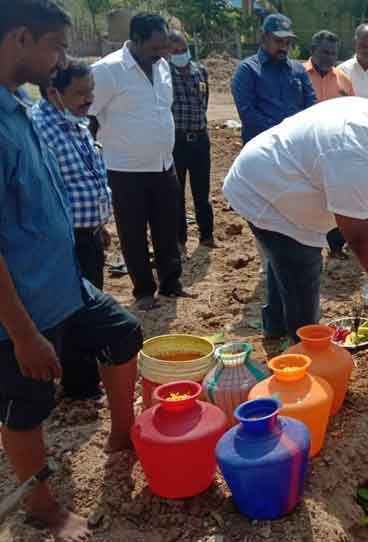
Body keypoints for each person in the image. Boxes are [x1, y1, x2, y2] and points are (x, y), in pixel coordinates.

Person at [0, 2, 142, 540]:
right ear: (19, 38)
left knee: (123, 332)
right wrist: (22, 334)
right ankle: (42, 507)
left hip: (62, 279)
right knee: (26, 407)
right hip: (21, 301)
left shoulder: (18, 105)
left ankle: (122, 437)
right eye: (55, 45)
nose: (62, 58)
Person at [223, 98, 368, 339]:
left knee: (285, 266)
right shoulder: (350, 153)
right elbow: (358, 239)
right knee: (300, 265)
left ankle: (275, 328)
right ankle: (303, 345)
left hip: (279, 172)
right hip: (263, 192)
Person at [90, 13, 190, 311]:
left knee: (167, 227)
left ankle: (171, 283)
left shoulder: (161, 67)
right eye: (155, 48)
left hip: (163, 164)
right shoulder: (108, 70)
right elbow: (88, 115)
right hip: (125, 169)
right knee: (133, 232)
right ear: (135, 41)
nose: (161, 55)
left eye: (164, 48)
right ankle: (143, 290)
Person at [32, 59, 110, 401]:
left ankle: (84, 374)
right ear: (54, 92)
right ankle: (80, 384)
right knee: (73, 312)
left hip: (87, 235)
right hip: (63, 240)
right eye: (80, 93)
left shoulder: (76, 123)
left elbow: (86, 179)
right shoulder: (39, 130)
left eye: (91, 91)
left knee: (86, 305)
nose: (88, 98)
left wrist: (99, 225)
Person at [303, 30, 357, 260]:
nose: (329, 57)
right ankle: (309, 243)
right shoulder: (299, 75)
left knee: (336, 197)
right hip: (305, 147)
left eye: (333, 53)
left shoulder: (343, 79)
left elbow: (351, 111)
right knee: (309, 196)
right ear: (312, 51)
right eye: (324, 52)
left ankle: (336, 247)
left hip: (334, 148)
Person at [230, 13, 316, 144]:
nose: (284, 47)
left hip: (295, 147)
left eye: (287, 42)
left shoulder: (298, 70)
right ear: (264, 38)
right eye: (278, 41)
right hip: (262, 148)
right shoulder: (247, 70)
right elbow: (249, 115)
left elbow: (311, 108)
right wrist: (282, 132)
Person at [168, 30, 215, 254]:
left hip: (200, 138)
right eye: (174, 51)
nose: (180, 54)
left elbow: (203, 103)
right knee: (176, 193)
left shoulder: (200, 71)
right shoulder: (164, 74)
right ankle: (179, 239)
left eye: (183, 50)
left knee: (202, 192)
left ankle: (207, 236)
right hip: (176, 141)